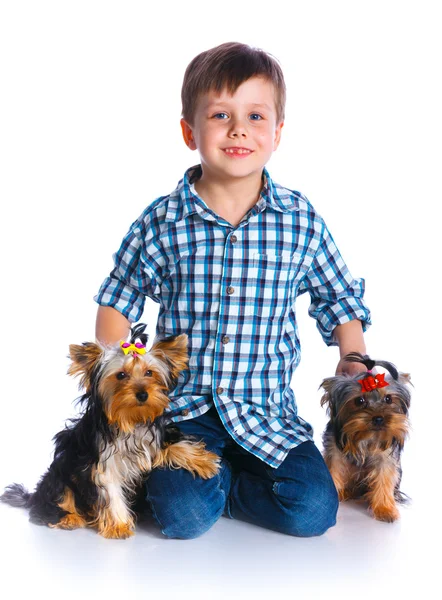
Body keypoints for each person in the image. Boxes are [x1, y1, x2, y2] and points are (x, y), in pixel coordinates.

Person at [94, 42, 371, 539]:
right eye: (220, 115)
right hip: (185, 412)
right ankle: (201, 489)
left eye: (255, 116)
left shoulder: (299, 220)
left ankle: (229, 486)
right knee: (181, 518)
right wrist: (118, 365)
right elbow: (119, 296)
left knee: (312, 512)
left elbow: (338, 295)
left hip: (266, 413)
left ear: (277, 133)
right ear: (189, 131)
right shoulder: (163, 221)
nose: (239, 129)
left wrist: (354, 357)